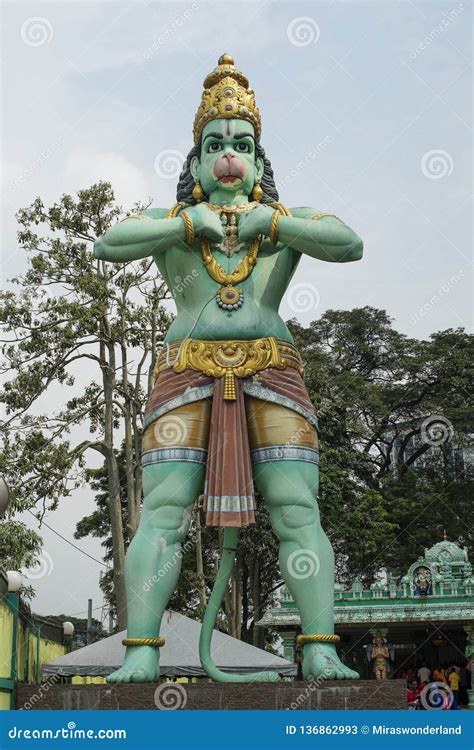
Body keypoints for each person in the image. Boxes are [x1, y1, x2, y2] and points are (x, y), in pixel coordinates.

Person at [94, 53, 364, 684]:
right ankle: (141, 649)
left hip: (272, 370)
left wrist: (277, 221)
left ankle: (319, 646)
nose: (228, 155)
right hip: (185, 371)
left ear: (260, 163)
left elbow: (349, 244)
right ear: (193, 165)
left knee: (296, 508)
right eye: (213, 144)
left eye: (242, 144)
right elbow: (108, 244)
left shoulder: (286, 226)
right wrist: (191, 221)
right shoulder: (171, 224)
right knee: (163, 510)